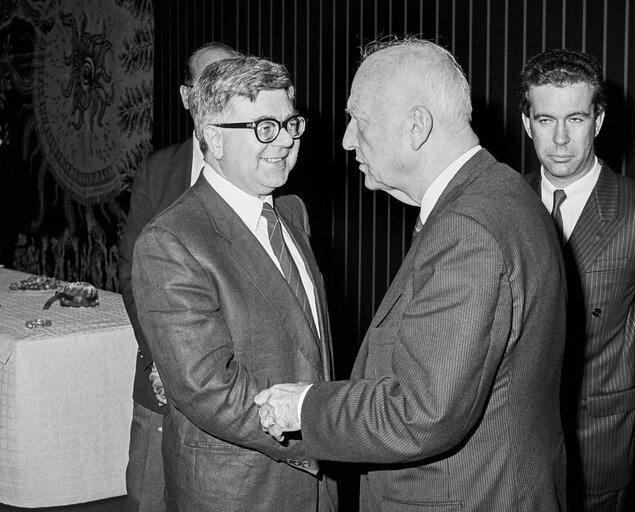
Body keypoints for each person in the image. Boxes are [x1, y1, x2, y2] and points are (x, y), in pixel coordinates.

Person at [255, 37, 568, 511]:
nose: (346, 140)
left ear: (416, 126)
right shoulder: (498, 191)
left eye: (358, 121)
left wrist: (303, 406)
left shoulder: (469, 229)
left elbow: (424, 414)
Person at [131, 55, 336, 511]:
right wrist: (324, 433)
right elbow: (207, 387)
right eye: (265, 126)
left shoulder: (292, 214)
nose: (284, 141)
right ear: (215, 139)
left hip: (318, 489)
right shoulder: (171, 240)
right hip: (238, 490)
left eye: (291, 124)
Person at [518, 48, 635, 512]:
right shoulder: (505, 202)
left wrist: (611, 389)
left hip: (596, 439)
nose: (559, 139)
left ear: (598, 120)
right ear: (527, 122)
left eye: (575, 119)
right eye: (546, 119)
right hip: (512, 443)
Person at [118, 41, 238, 512]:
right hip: (158, 383)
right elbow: (133, 274)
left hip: (234, 389)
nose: (221, 93)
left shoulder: (265, 172)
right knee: (149, 498)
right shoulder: (158, 172)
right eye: (209, 82)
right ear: (187, 97)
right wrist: (160, 359)